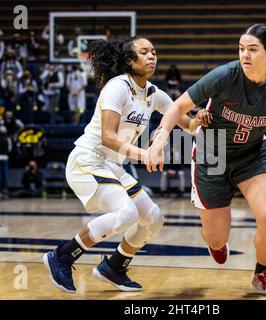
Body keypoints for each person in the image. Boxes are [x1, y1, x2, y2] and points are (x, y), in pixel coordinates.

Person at [146, 24, 266, 298]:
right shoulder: (225, 75)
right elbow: (178, 106)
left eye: (252, 49)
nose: (245, 54)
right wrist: (160, 139)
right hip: (213, 154)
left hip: (252, 155)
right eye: (241, 48)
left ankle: (263, 273)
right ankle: (216, 242)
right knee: (217, 239)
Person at [43, 36, 208, 293]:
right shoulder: (117, 87)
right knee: (127, 214)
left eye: (154, 51)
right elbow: (108, 137)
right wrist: (147, 155)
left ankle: (114, 266)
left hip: (112, 166)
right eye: (144, 52)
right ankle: (63, 256)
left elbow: (186, 124)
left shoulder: (152, 93)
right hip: (88, 159)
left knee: (153, 219)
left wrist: (201, 118)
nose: (152, 56)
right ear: (130, 61)